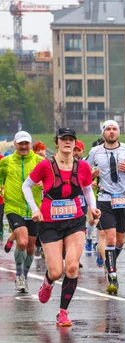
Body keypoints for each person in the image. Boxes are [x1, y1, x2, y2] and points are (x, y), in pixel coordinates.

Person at [22, 127, 99, 326]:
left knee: (72, 266)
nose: (67, 142)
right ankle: (48, 282)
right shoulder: (46, 165)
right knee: (56, 271)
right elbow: (26, 186)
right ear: (57, 142)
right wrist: (34, 209)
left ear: (75, 143)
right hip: (49, 223)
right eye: (63, 139)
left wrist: (93, 207)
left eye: (70, 139)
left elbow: (88, 190)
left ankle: (63, 312)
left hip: (75, 221)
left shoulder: (81, 167)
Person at [87, 120, 125, 294]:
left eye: (114, 129)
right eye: (108, 129)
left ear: (119, 132)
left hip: (123, 199)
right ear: (103, 133)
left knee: (120, 241)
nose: (111, 132)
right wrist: (91, 177)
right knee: (110, 238)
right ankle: (113, 275)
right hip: (104, 199)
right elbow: (84, 170)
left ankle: (110, 263)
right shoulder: (95, 151)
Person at [0, 131, 44, 293]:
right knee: (23, 242)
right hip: (13, 207)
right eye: (21, 143)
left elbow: (50, 180)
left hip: (34, 209)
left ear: (30, 144)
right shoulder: (6, 162)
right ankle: (18, 276)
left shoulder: (40, 161)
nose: (24, 146)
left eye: (26, 143)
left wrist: (43, 184)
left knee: (31, 247)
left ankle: (24, 276)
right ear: (15, 144)